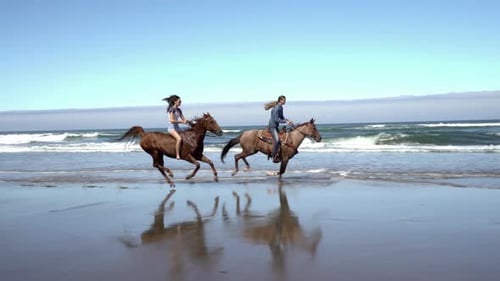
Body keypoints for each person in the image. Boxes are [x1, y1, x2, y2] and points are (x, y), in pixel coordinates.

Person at [264, 95, 292, 163]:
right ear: (280, 100)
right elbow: (276, 119)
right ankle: (274, 156)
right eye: (284, 100)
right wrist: (285, 121)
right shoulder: (277, 108)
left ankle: (280, 154)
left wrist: (287, 120)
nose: (285, 101)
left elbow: (282, 117)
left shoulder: (281, 107)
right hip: (272, 126)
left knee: (282, 138)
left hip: (276, 126)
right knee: (277, 141)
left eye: (285, 100)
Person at [163, 95, 189, 160]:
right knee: (179, 139)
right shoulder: (171, 109)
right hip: (171, 128)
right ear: (175, 102)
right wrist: (182, 122)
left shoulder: (179, 110)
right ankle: (177, 154)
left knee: (186, 135)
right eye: (179, 101)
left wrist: (187, 121)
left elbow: (183, 119)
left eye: (181, 101)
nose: (181, 102)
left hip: (177, 127)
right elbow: (171, 120)